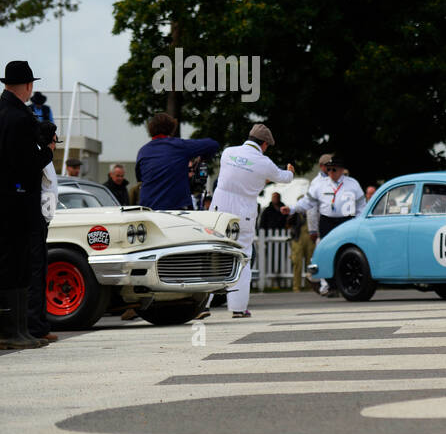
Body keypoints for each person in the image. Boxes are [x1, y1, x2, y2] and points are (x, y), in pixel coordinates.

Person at [211, 124, 294, 317]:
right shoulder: (264, 162)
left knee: (212, 253)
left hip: (218, 207)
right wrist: (290, 171)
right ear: (264, 144)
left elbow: (238, 175)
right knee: (242, 257)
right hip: (243, 211)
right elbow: (284, 178)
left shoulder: (228, 152)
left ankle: (202, 305)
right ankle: (238, 309)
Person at [0, 60, 51, 349]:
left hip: (5, 199)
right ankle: (14, 332)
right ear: (29, 86)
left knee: (7, 261)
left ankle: (13, 330)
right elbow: (26, 163)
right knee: (19, 263)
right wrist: (47, 151)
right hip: (18, 202)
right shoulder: (21, 118)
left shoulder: (3, 112)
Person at [286, 156, 364, 297]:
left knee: (347, 252)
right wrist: (291, 209)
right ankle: (330, 285)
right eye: (328, 170)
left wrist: (359, 222)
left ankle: (348, 282)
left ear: (341, 170)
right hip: (327, 222)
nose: (331, 173)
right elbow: (306, 203)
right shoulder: (319, 184)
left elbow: (361, 206)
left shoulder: (352, 184)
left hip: (347, 221)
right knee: (327, 253)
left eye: (334, 169)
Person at [135, 113, 219, 210]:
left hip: (148, 210)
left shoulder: (143, 151)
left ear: (150, 129)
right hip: (175, 210)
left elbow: (141, 178)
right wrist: (200, 159)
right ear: (171, 128)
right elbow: (213, 145)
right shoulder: (179, 146)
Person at [27, 121, 60, 343]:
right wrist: (46, 219)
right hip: (37, 220)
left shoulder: (39, 156)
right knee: (36, 273)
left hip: (37, 220)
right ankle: (36, 326)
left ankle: (37, 325)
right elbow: (48, 192)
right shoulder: (43, 159)